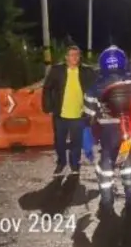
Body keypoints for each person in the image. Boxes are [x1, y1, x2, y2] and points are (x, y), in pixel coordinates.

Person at [84, 45, 131, 218]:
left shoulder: (95, 86)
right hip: (128, 131)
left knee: (106, 167)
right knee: (130, 168)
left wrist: (87, 132)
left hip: (107, 132)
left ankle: (106, 203)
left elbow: (88, 112)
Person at [41, 45, 97, 176]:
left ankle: (74, 164)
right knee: (59, 141)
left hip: (78, 114)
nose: (75, 57)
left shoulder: (86, 72)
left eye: (77, 55)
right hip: (60, 114)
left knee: (76, 142)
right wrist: (48, 107)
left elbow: (95, 88)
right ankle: (61, 163)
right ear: (66, 57)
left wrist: (93, 109)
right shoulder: (57, 70)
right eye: (72, 55)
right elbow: (47, 88)